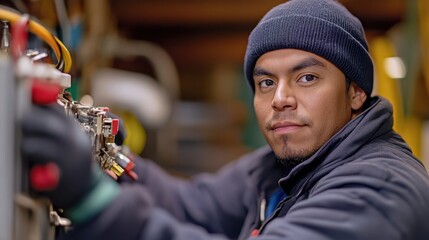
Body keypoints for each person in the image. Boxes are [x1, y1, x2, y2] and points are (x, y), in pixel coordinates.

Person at [21, 0, 429, 239]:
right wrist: (109, 158)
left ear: (355, 91)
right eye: (265, 82)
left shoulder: (381, 189)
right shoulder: (285, 165)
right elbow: (192, 205)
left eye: (307, 77)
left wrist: (95, 201)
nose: (281, 99)